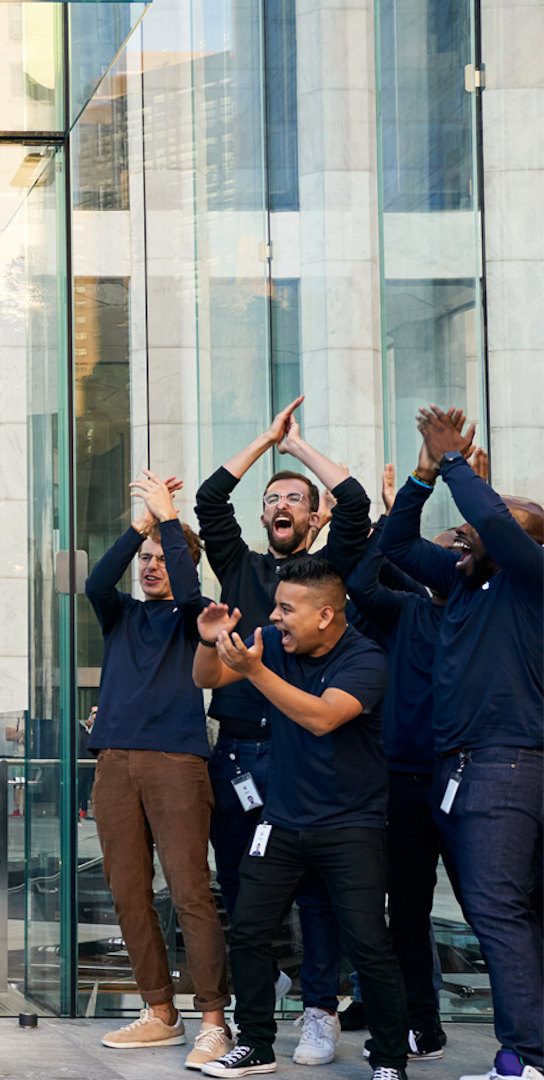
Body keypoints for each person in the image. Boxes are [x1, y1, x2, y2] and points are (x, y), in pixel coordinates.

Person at [195, 396, 371, 1065]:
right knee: (240, 884)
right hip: (237, 754)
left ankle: (320, 1011)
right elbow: (212, 500)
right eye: (272, 497)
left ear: (311, 513)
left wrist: (298, 450)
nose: (282, 506)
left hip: (304, 751)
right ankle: (258, 1001)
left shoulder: (327, 578)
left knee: (317, 890)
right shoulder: (238, 568)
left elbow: (354, 506)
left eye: (295, 498)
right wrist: (264, 441)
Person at [192, 555, 407, 1080]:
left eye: (287, 608)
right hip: (282, 822)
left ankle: (389, 1061)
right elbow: (208, 676)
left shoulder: (366, 659)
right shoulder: (275, 642)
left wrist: (256, 670)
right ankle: (258, 1045)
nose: (277, 617)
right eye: (276, 607)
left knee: (367, 944)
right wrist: (207, 641)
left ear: (326, 616)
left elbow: (322, 718)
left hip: (350, 825)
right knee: (246, 930)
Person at [379, 408, 543, 1080]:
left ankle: (525, 1059)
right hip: (465, 767)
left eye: (493, 519)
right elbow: (395, 546)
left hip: (502, 764)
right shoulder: (462, 583)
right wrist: (423, 476)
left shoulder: (529, 580)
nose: (473, 527)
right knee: (508, 911)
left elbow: (502, 527)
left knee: (499, 911)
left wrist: (454, 464)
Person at [83, 471, 231, 1068]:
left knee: (191, 889)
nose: (149, 567)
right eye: (143, 558)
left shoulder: (194, 617)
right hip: (114, 760)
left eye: (159, 559)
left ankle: (214, 1019)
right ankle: (159, 1011)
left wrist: (170, 522)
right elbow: (96, 580)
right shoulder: (119, 614)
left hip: (176, 762)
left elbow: (195, 596)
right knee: (126, 890)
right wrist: (139, 526)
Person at [344, 463, 462, 1062]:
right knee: (408, 912)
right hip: (405, 783)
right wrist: (392, 519)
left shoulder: (488, 613)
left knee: (496, 908)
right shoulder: (408, 610)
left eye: (463, 547)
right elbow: (363, 585)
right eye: (441, 549)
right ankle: (424, 1026)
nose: (452, 556)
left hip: (471, 781)